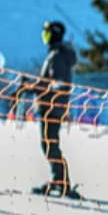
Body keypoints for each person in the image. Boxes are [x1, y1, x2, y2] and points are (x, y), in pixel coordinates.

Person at [17, 20, 78, 197]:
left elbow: (56, 83)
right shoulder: (57, 54)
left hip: (51, 108)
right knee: (50, 144)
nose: (45, 37)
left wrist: (34, 87)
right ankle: (60, 181)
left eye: (47, 34)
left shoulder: (57, 56)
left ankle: (61, 182)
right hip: (53, 106)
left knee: (50, 144)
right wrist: (33, 86)